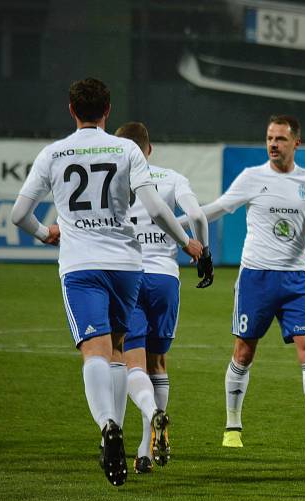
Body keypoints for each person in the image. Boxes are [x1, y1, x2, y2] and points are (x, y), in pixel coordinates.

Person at [10, 78, 204, 487]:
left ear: (71, 109)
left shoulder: (54, 153)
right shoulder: (128, 148)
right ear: (108, 110)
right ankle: (119, 435)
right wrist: (187, 241)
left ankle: (108, 426)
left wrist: (46, 233)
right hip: (126, 265)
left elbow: (18, 214)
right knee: (118, 348)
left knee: (94, 351)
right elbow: (154, 205)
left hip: (81, 264)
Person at [193, 115, 305, 450]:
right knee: (244, 350)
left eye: (280, 139)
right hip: (256, 277)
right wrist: (174, 225)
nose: (273, 144)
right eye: (269, 138)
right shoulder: (252, 177)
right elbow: (218, 208)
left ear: (296, 143)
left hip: (296, 279)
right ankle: (233, 426)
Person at [115, 122, 213, 474]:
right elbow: (198, 216)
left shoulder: (113, 179)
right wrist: (203, 253)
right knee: (158, 364)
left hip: (127, 276)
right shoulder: (172, 178)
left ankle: (142, 446)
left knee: (132, 364)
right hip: (164, 279)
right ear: (149, 149)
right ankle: (149, 444)